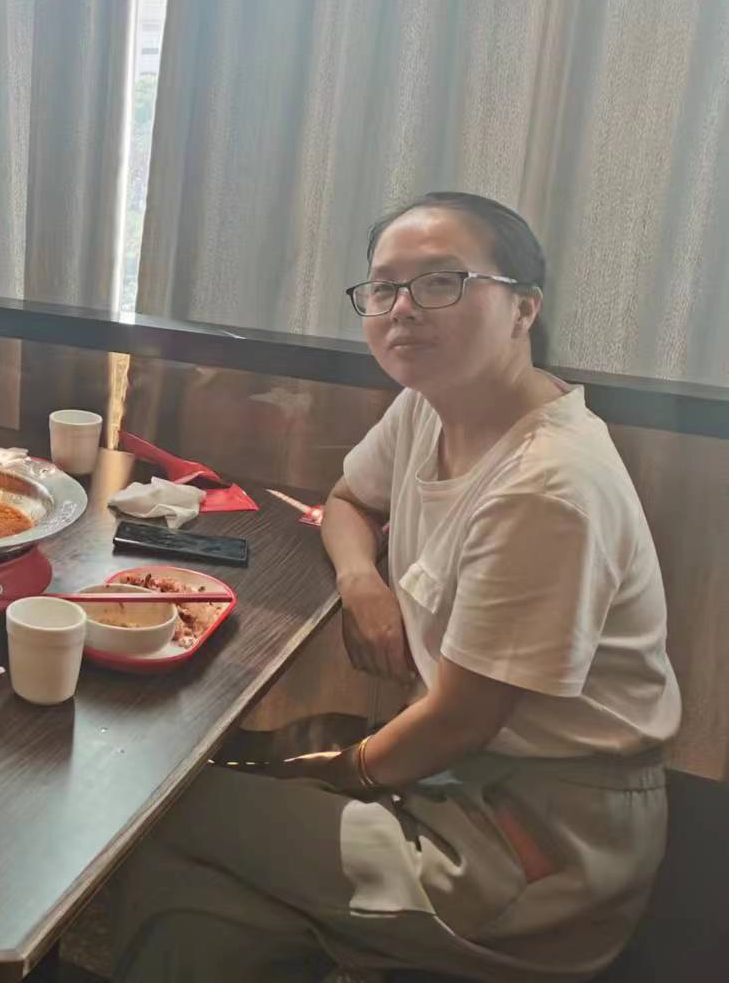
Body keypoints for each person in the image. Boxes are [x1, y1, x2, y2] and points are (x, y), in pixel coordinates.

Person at [113, 191, 679, 982]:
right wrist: (361, 582)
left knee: (158, 814)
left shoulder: (547, 486)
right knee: (203, 876)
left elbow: (462, 719)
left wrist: (337, 774)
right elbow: (349, 500)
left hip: (532, 841)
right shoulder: (430, 406)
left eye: (442, 281)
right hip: (454, 772)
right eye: (384, 288)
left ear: (523, 309)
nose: (404, 307)